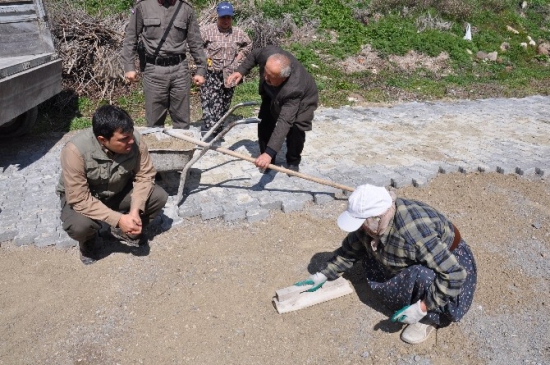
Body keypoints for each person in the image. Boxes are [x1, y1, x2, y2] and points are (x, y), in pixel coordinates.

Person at [294, 184, 477, 344]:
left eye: (361, 222)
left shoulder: (413, 235)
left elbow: (454, 274)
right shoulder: (374, 223)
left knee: (423, 276)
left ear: (377, 217)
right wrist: (325, 274)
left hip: (448, 261)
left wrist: (423, 307)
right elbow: (351, 249)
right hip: (419, 254)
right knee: (369, 252)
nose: (360, 227)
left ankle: (431, 318)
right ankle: (412, 292)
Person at [56, 105, 169, 265]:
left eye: (131, 135)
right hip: (87, 199)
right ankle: (89, 241)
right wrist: (117, 218)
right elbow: (80, 199)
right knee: (80, 226)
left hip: (117, 191)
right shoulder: (75, 151)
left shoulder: (134, 139)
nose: (131, 141)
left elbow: (145, 176)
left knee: (158, 196)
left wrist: (135, 211)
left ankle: (124, 230)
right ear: (103, 139)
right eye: (123, 139)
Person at [226, 45, 318, 174]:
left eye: (271, 76)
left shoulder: (294, 89)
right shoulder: (269, 54)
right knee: (265, 123)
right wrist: (241, 71)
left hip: (304, 100)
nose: (265, 78)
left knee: (296, 128)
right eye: (265, 72)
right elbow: (254, 55)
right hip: (271, 93)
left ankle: (293, 160)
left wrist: (270, 152)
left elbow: (284, 122)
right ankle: (268, 160)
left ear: (283, 78)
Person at [121, 0, 207, 129]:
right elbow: (130, 38)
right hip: (154, 70)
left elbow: (195, 41)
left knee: (182, 121)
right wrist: (129, 67)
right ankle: (155, 149)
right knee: (154, 122)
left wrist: (201, 69)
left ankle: (182, 148)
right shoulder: (143, 6)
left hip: (180, 71)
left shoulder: (185, 8)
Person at [199, 1, 252, 140]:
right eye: (223, 17)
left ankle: (219, 128)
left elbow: (248, 45)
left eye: (228, 17)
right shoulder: (207, 30)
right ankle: (210, 130)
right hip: (211, 72)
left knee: (224, 103)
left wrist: (239, 57)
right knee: (209, 101)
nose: (226, 21)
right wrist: (206, 56)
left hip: (229, 73)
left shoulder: (238, 33)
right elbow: (195, 45)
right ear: (218, 17)